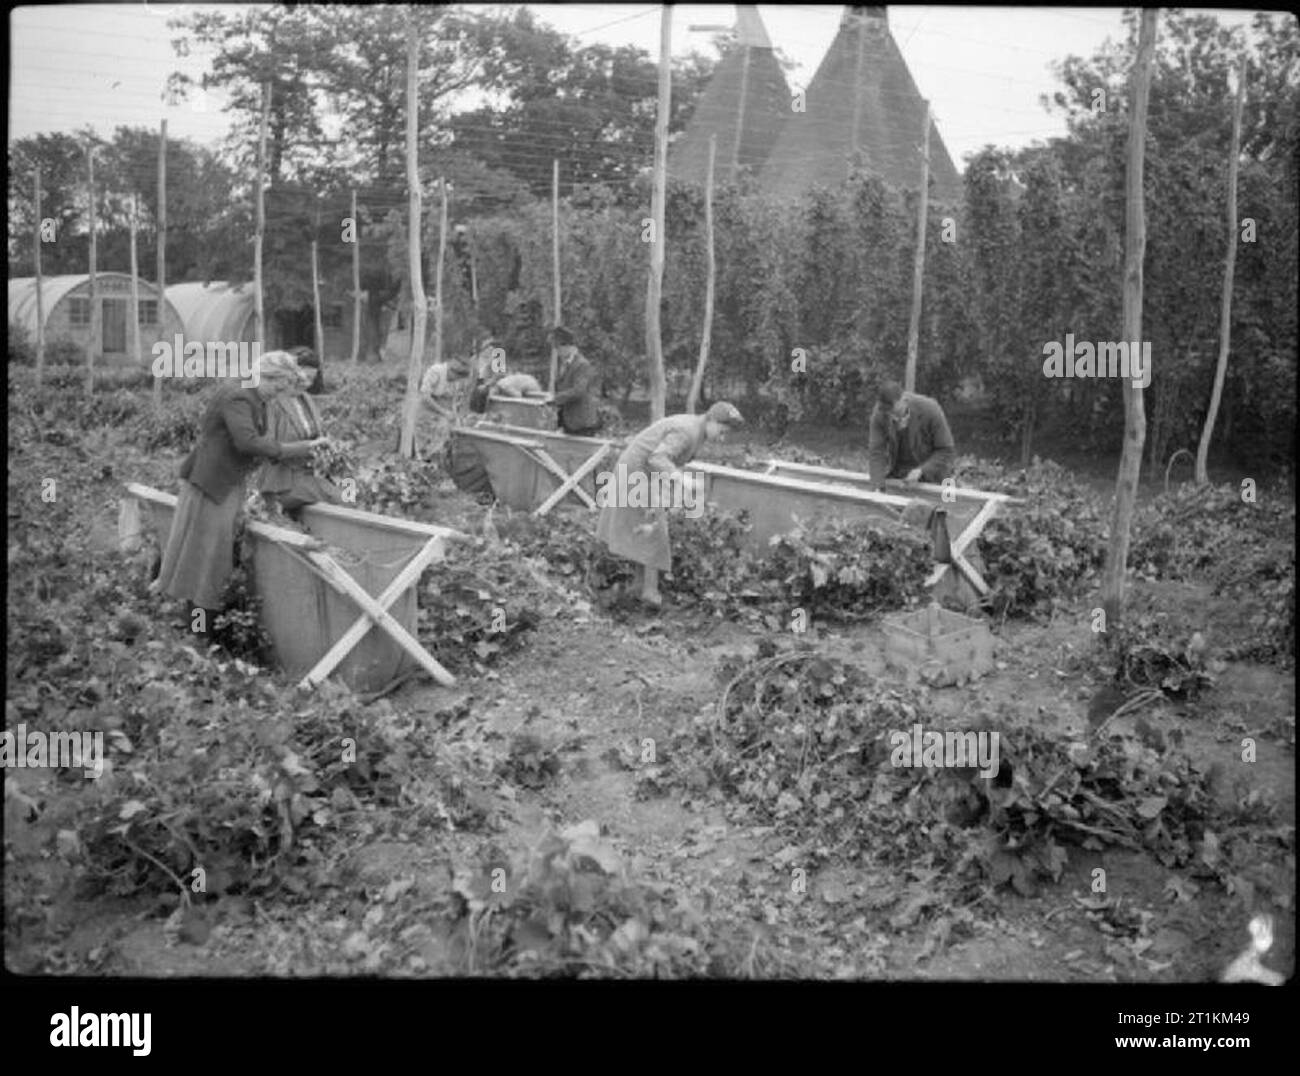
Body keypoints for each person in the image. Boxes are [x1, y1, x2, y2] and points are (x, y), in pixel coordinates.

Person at [152, 350, 327, 643]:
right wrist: (303, 448)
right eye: (277, 387)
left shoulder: (255, 398)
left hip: (227, 484)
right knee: (206, 559)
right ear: (265, 376)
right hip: (211, 485)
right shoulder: (239, 397)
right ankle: (197, 633)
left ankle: (194, 629)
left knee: (208, 558)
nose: (277, 395)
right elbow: (248, 443)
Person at [595, 401, 744, 608]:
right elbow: (658, 457)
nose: (723, 437)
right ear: (711, 420)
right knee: (655, 532)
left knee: (645, 530)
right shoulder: (688, 431)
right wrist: (681, 480)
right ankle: (649, 593)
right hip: (636, 474)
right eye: (722, 430)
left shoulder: (697, 430)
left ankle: (640, 586)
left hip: (643, 472)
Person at [257, 347, 342, 515]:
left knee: (350, 485)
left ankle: (359, 508)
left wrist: (330, 446)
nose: (307, 383)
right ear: (290, 374)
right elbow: (269, 449)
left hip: (309, 473)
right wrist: (310, 446)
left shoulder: (306, 399)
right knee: (340, 497)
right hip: (283, 480)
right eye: (304, 377)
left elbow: (318, 434)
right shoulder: (274, 401)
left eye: (312, 379)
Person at [866, 379, 956, 491]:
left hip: (934, 475)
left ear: (904, 400)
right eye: (886, 412)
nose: (889, 415)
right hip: (901, 476)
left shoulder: (930, 409)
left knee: (939, 507)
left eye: (893, 411)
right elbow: (876, 451)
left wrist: (922, 470)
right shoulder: (880, 413)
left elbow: (946, 451)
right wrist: (877, 486)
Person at [549, 325, 600, 436]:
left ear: (567, 346)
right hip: (569, 420)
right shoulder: (564, 363)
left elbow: (578, 391)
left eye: (558, 348)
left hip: (581, 422)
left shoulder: (582, 364)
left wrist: (555, 398)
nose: (557, 352)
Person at [419, 356, 474, 457]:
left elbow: (452, 400)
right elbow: (425, 396)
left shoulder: (454, 382)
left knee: (453, 426)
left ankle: (441, 452)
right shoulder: (435, 371)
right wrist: (444, 412)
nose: (454, 381)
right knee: (441, 428)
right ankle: (427, 454)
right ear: (452, 372)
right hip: (425, 408)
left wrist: (456, 417)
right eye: (455, 378)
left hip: (440, 407)